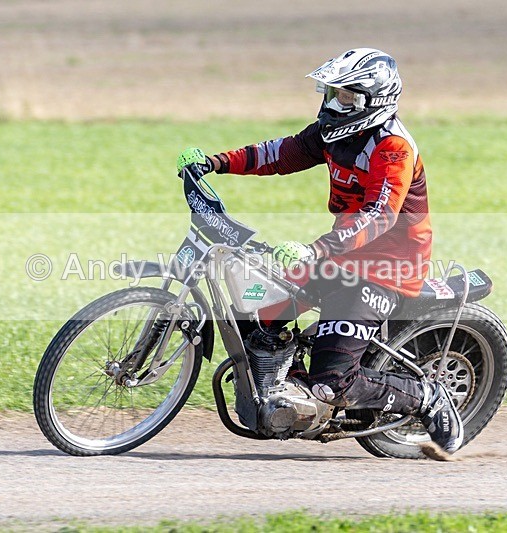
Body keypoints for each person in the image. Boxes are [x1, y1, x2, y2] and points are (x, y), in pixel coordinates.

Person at [176, 48, 463, 455]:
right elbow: (280, 153)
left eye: (345, 96)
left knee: (332, 383)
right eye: (330, 92)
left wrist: (316, 249)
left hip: (386, 268)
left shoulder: (393, 149)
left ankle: (427, 396)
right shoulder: (333, 133)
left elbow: (379, 216)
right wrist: (214, 162)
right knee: (261, 314)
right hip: (340, 256)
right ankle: (285, 394)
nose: (333, 103)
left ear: (373, 100)